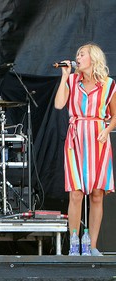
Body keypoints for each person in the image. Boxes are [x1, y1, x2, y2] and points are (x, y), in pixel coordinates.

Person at [54, 43, 116, 256]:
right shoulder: (72, 80)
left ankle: (92, 245)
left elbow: (115, 115)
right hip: (76, 138)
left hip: (98, 138)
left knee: (97, 194)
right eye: (77, 54)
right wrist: (64, 76)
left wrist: (107, 130)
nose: (77, 57)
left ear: (93, 58)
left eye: (81, 54)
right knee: (76, 193)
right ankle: (74, 241)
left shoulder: (108, 85)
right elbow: (59, 104)